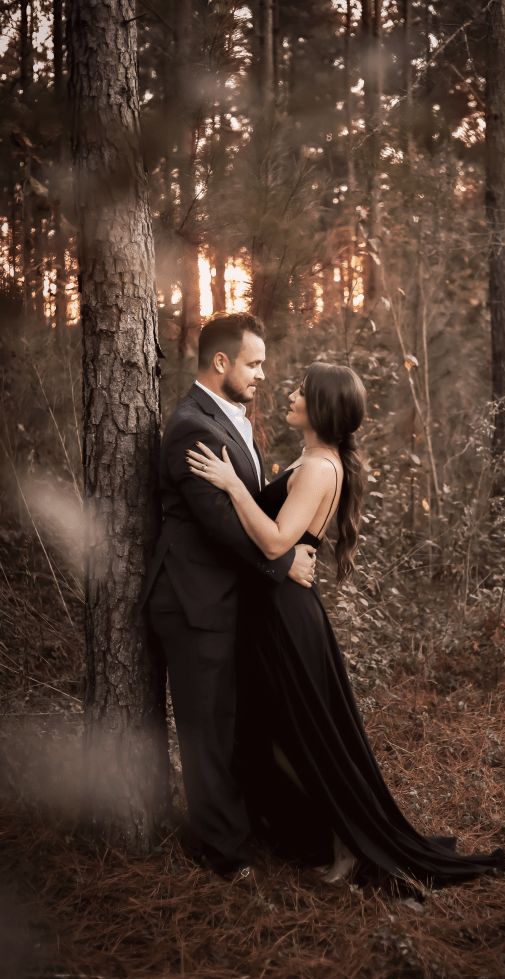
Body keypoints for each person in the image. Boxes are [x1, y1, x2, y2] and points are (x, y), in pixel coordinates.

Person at [185, 360, 505, 890]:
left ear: (323, 407)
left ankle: (347, 845)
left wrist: (230, 486)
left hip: (286, 619)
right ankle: (316, 834)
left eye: (302, 392)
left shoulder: (319, 467)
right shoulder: (312, 458)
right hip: (278, 611)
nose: (290, 394)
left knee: (308, 740)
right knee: (283, 736)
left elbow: (274, 542)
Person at [142, 312, 317, 877]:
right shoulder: (193, 427)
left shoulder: (232, 418)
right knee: (207, 730)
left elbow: (249, 504)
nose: (263, 375)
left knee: (236, 722)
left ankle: (251, 829)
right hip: (194, 602)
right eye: (254, 363)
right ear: (221, 363)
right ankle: (224, 856)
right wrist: (283, 562)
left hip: (224, 597)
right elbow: (221, 524)